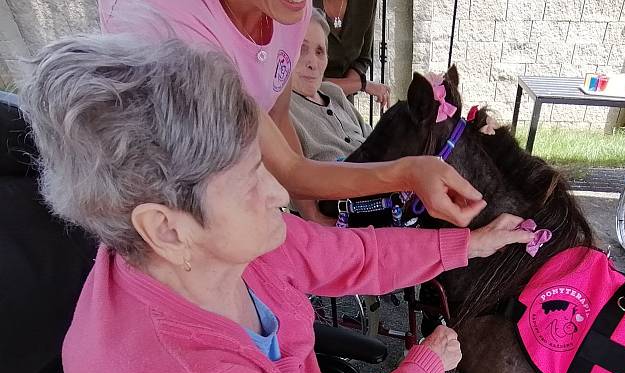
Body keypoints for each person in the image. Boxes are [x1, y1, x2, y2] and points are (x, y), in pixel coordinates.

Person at [20, 33, 533, 373]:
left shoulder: (220, 243)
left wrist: (468, 246)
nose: (278, 191)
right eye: (249, 182)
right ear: (166, 227)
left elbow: (353, 258)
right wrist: (425, 367)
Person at [98, 0, 482, 226]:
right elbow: (287, 168)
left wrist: (314, 216)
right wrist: (408, 174)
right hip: (174, 215)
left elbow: (279, 121)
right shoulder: (174, 26)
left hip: (238, 198)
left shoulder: (290, 12)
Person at [290, 8, 370, 162]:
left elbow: (376, 140)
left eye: (320, 52)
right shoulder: (283, 110)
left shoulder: (333, 93)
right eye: (301, 49)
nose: (313, 63)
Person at [312, 0, 390, 108]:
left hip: (344, 102)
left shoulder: (367, 3)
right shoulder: (302, 4)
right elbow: (303, 78)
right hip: (304, 102)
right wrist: (361, 85)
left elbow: (363, 58)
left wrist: (350, 85)